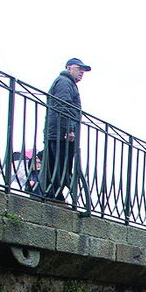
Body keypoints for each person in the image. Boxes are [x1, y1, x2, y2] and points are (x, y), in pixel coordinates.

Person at [43, 58, 90, 202]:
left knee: (56, 164)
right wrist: (69, 129)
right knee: (62, 164)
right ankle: (55, 196)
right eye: (79, 68)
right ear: (69, 68)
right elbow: (63, 106)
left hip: (57, 131)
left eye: (84, 70)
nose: (82, 72)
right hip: (61, 132)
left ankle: (52, 195)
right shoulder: (64, 82)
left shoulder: (68, 83)